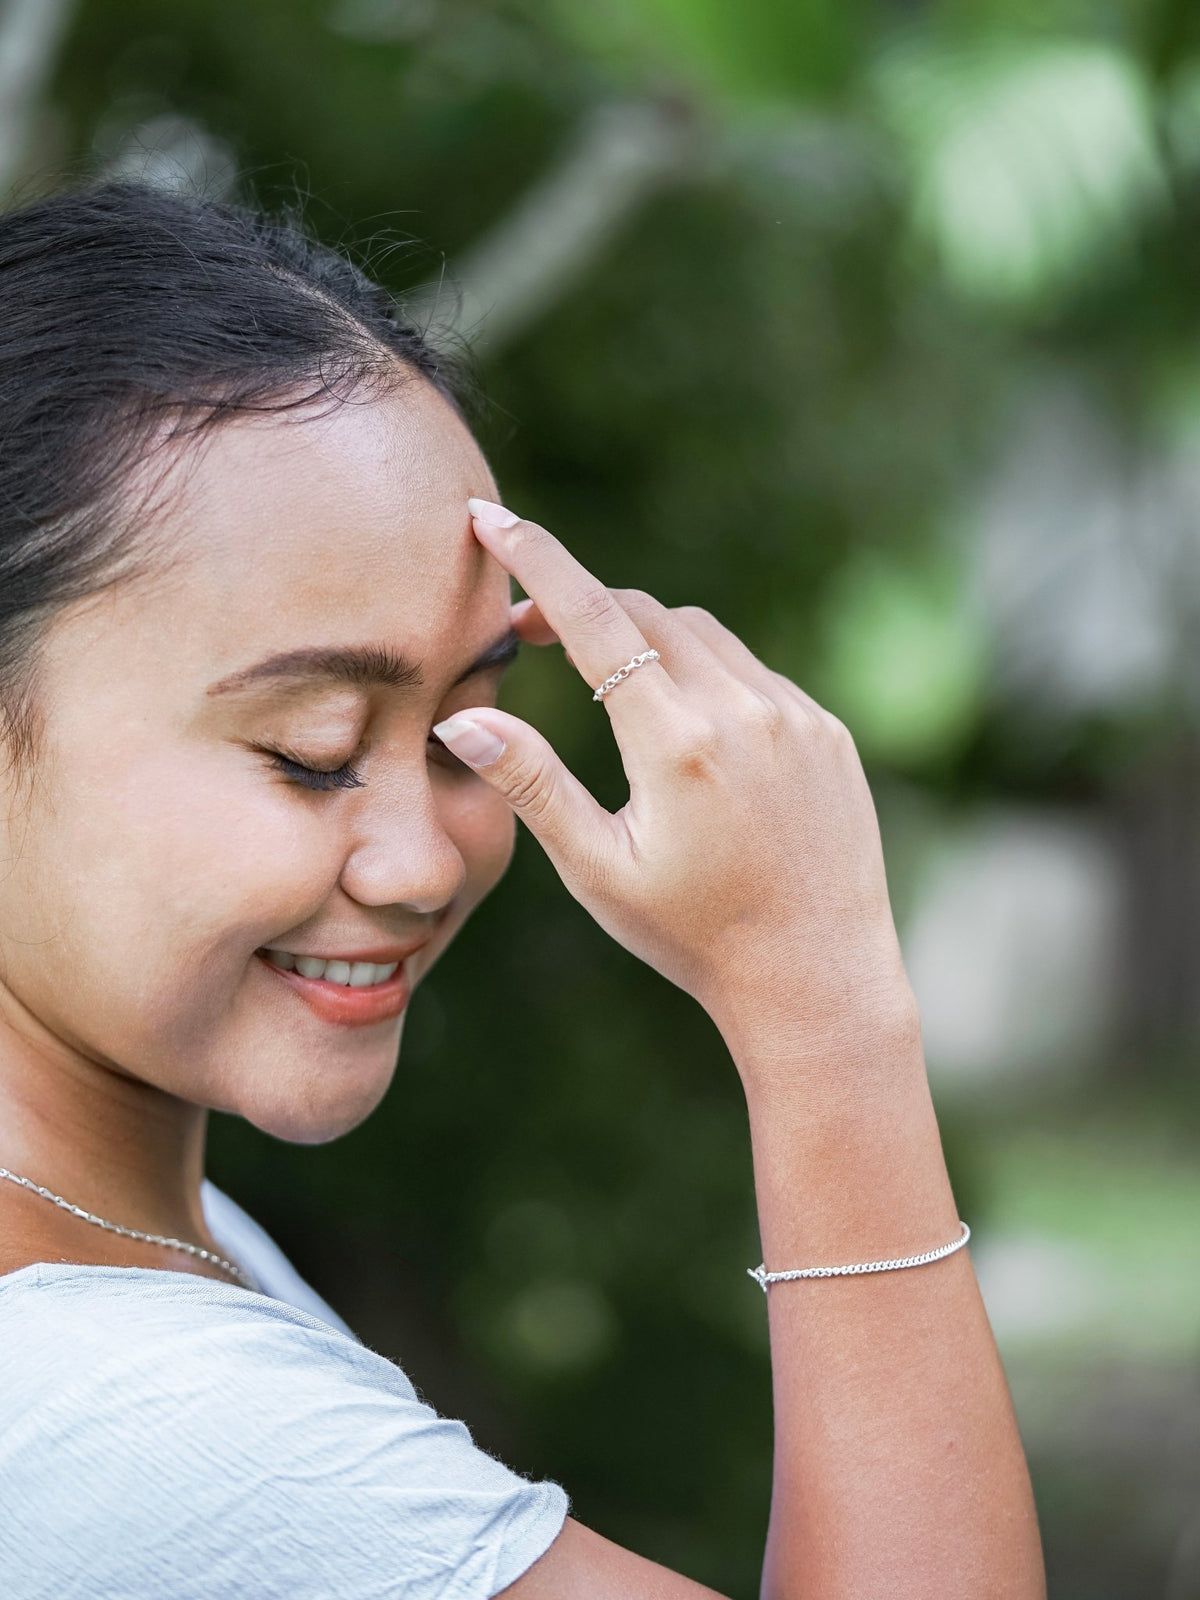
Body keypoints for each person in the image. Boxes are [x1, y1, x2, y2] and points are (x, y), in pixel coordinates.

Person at [0, 179, 1044, 1600]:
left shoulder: (146, 1242)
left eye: (462, 732)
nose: (426, 858)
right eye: (310, 754)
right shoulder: (141, 1421)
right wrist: (821, 1010)